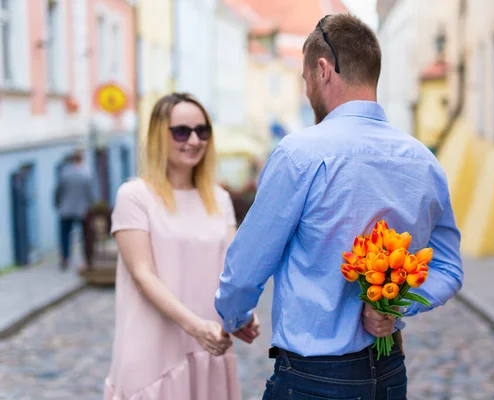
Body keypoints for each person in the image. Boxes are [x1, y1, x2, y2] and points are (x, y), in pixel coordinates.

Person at [215, 13, 463, 399]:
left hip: (313, 379)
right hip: (390, 373)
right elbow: (448, 267)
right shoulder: (424, 160)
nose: (306, 90)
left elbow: (247, 266)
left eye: (305, 79)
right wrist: (394, 305)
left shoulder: (299, 154)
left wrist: (235, 315)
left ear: (323, 69)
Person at [104, 93, 254, 400]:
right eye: (181, 131)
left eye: (203, 131)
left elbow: (231, 268)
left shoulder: (218, 198)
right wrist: (195, 326)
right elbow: (143, 275)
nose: (194, 140)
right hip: (154, 349)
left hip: (210, 345)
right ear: (159, 135)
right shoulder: (135, 196)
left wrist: (243, 314)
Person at [54, 149, 96, 269]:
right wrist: (92, 206)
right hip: (82, 209)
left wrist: (57, 204)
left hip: (65, 209)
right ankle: (88, 260)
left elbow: (58, 191)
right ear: (82, 159)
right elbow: (91, 193)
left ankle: (65, 258)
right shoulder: (86, 174)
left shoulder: (64, 173)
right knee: (86, 236)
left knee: (65, 235)